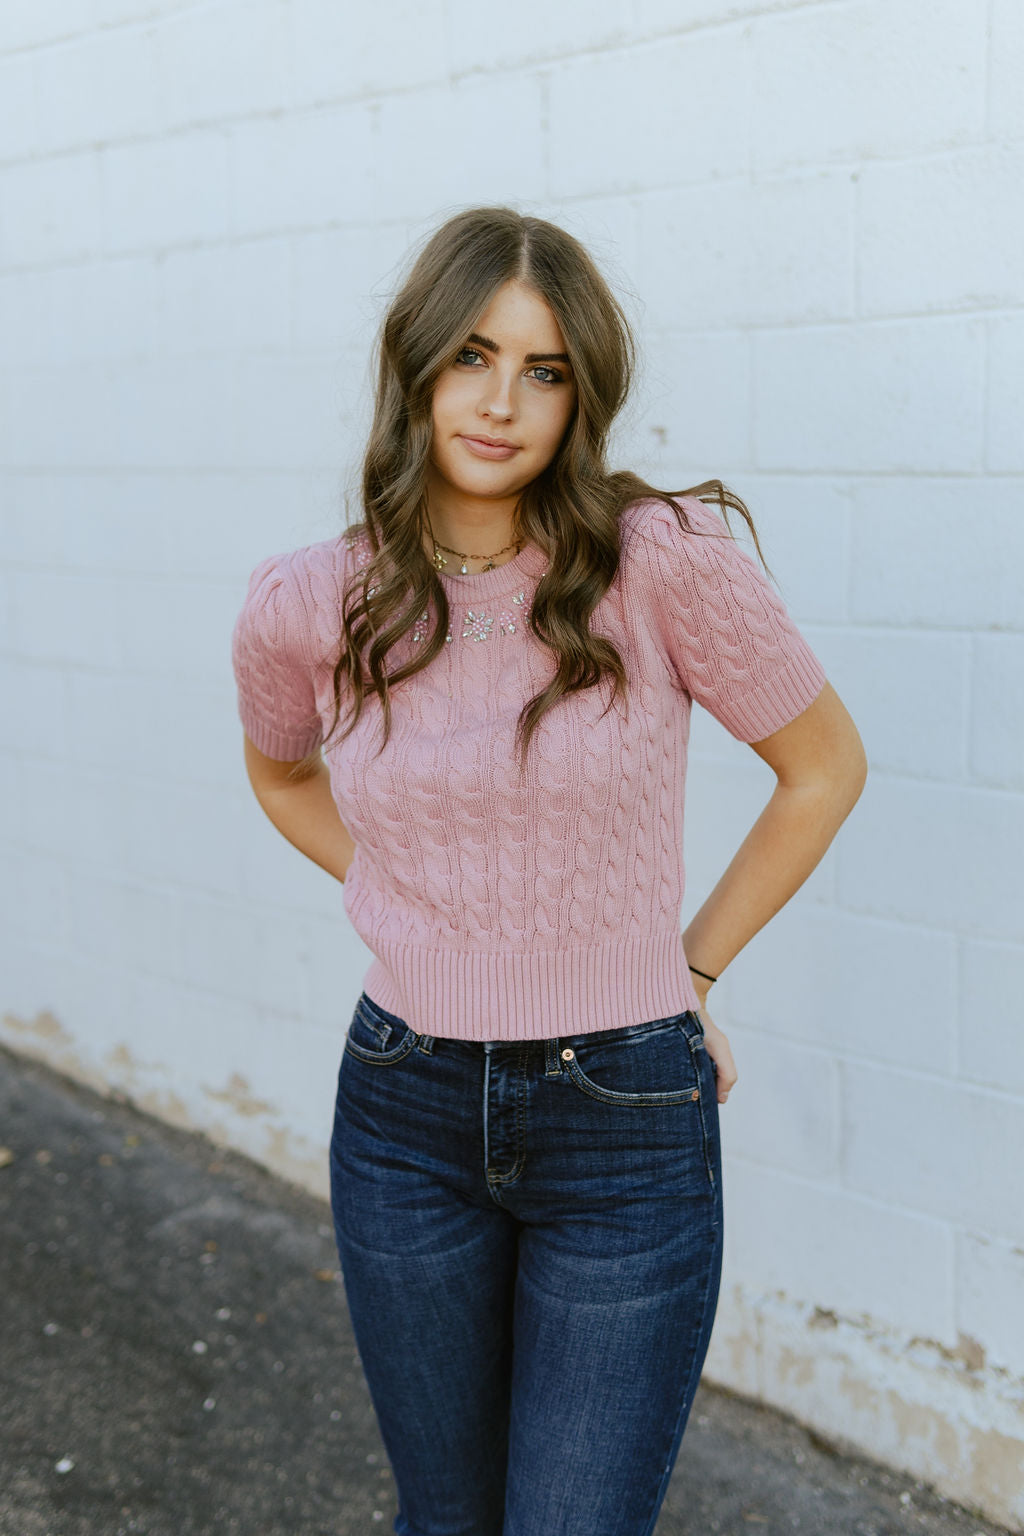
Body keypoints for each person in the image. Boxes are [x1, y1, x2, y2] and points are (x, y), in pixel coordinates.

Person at [230, 206, 867, 1536]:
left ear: (585, 396)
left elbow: (824, 769)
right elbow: (281, 773)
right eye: (473, 357)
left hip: (624, 1115)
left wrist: (688, 967)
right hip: (403, 1107)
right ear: (415, 365)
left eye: (547, 370)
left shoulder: (663, 564)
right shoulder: (307, 602)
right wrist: (408, 894)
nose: (503, 403)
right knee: (444, 1521)